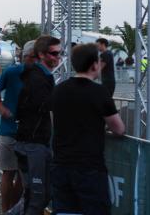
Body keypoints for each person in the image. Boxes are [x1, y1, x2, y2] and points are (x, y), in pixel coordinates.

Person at [49, 43, 125, 215]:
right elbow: (119, 128)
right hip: (89, 168)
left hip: (61, 165)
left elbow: (54, 121)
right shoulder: (100, 92)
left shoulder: (59, 90)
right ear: (94, 65)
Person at [11, 36, 58, 215]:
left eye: (59, 53)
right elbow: (44, 105)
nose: (58, 58)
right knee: (36, 197)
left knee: (42, 196)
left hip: (38, 142)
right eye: (53, 53)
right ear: (40, 55)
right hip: (31, 143)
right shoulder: (34, 77)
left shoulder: (43, 76)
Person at [0, 40, 35, 213]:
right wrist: (2, 109)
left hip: (31, 133)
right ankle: (5, 210)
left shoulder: (43, 74)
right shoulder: (12, 71)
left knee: (22, 175)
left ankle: (14, 210)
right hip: (9, 130)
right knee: (8, 171)